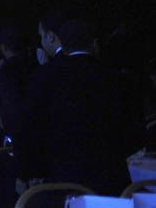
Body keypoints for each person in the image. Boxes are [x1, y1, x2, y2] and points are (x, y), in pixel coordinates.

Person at [19, 19, 142, 195]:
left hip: (62, 182)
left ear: (63, 44)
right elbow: (135, 134)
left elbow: (30, 127)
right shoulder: (117, 79)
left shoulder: (45, 77)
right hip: (112, 182)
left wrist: (31, 172)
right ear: (94, 44)